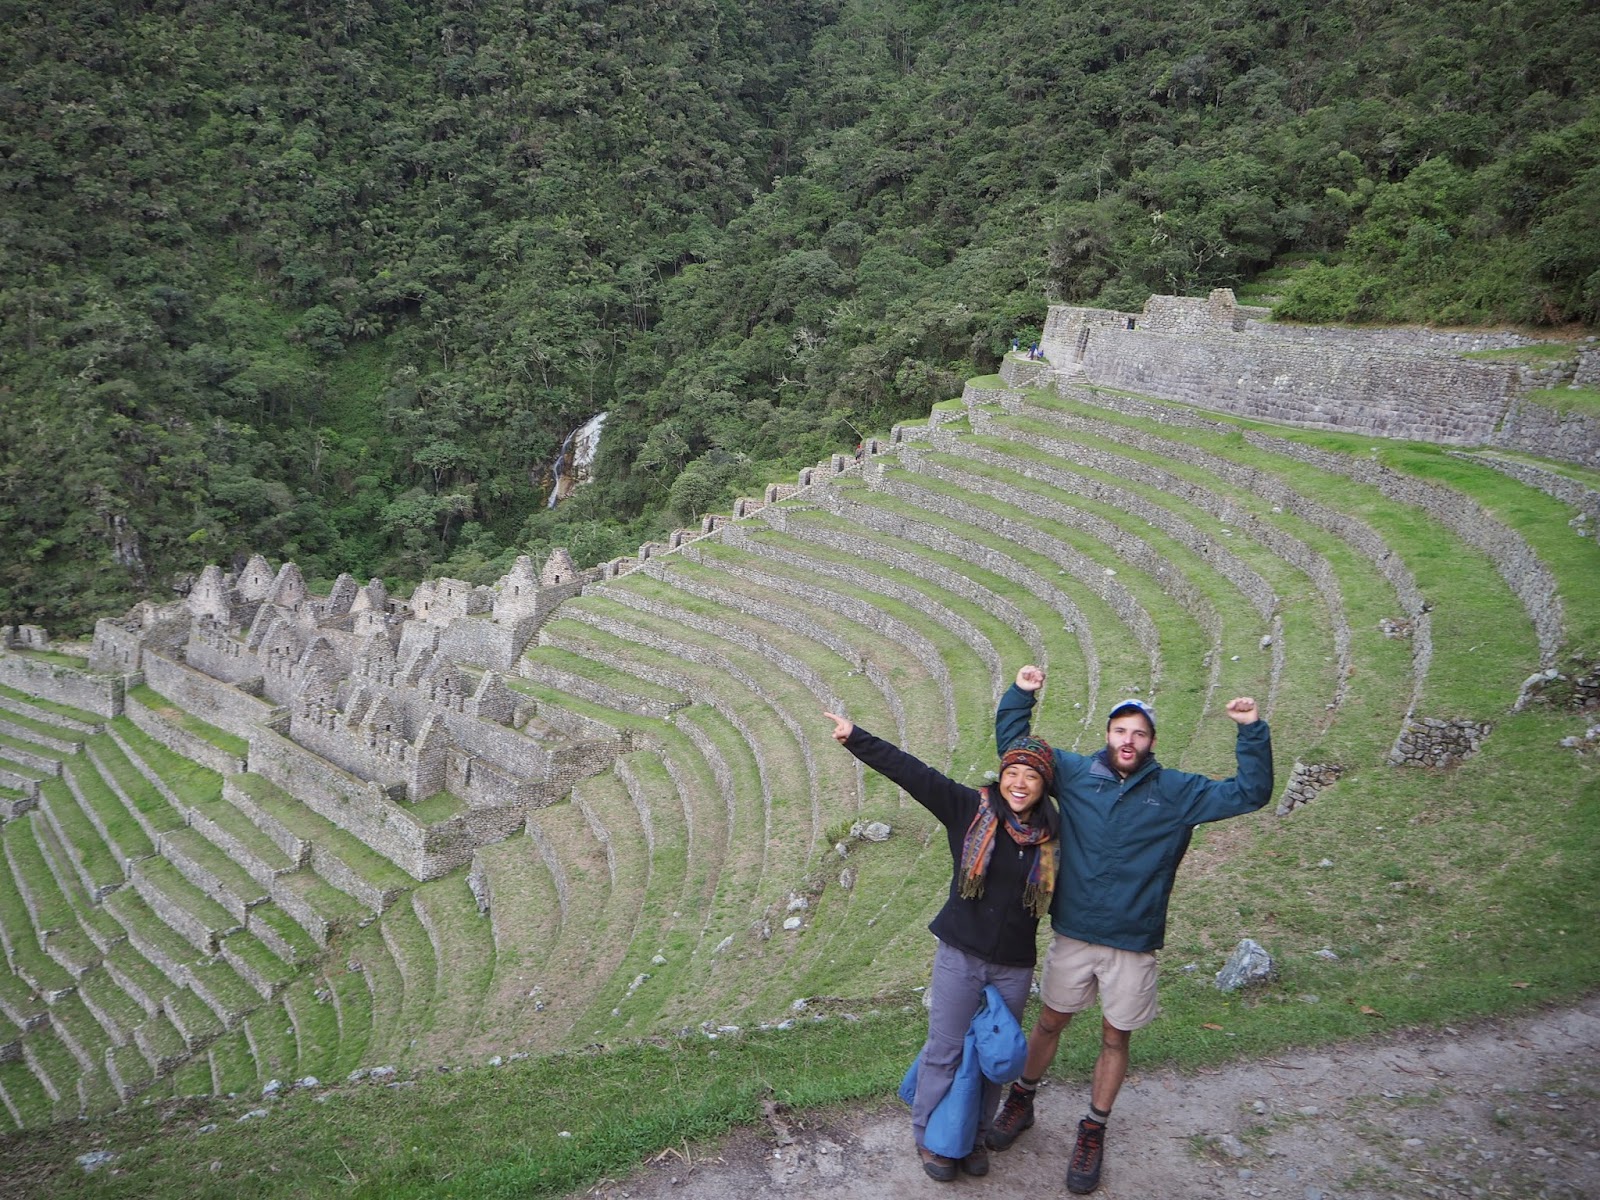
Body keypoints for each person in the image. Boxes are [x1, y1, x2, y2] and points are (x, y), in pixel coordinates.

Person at [988, 665, 1273, 1194]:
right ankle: (1022, 1100)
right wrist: (1022, 693)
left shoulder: (1177, 791)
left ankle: (1092, 1129)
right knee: (1049, 1021)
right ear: (1107, 734)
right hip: (1074, 930)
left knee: (1115, 1036)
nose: (1128, 740)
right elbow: (1016, 751)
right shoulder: (1075, 773)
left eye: (1139, 733)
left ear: (1151, 742)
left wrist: (1251, 730)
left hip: (1132, 940)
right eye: (1120, 730)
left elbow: (1250, 793)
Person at [823, 709, 1060, 1182]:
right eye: (1012, 773)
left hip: (1014, 965)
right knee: (946, 1050)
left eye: (1030, 776)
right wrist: (856, 737)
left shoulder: (1054, 836)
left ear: (1043, 785)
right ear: (1001, 777)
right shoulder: (970, 810)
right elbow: (913, 773)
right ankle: (929, 1136)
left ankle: (974, 1137)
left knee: (995, 1057)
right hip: (961, 955)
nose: (1019, 783)